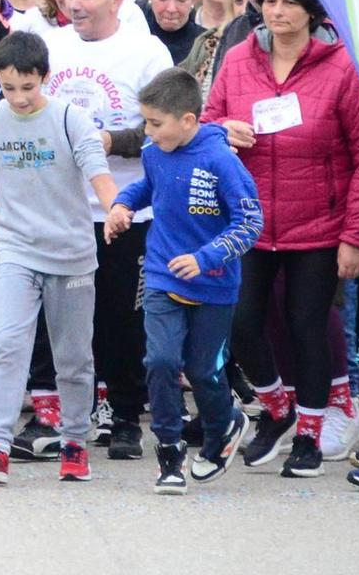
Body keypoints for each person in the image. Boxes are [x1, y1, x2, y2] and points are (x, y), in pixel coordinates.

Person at [203, 0, 359, 477]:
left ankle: (309, 432)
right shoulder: (240, 61)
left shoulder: (340, 68)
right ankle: (277, 408)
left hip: (318, 225)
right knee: (239, 323)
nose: (276, 11)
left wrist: (355, 237)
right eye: (268, 0)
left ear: (311, 10)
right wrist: (221, 129)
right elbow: (204, 127)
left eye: (287, 2)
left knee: (307, 327)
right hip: (249, 222)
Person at [0, 32, 120, 484]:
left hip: (71, 252)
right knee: (6, 342)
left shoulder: (71, 119)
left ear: (44, 78)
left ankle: (74, 442)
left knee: (73, 356)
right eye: (9, 88)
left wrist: (114, 208)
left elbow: (96, 171)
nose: (20, 98)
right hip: (16, 248)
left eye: (28, 87)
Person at [41, 0, 173, 459]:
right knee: (71, 320)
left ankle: (124, 417)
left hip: (126, 211)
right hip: (63, 209)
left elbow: (165, 128)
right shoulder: (50, 46)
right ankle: (73, 413)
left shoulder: (146, 53)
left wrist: (105, 141)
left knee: (122, 319)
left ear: (117, 0)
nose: (74, 5)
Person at [105, 67, 261, 494]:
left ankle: (222, 430)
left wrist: (205, 257)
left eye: (155, 124)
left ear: (188, 121)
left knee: (204, 371)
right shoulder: (156, 152)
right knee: (160, 361)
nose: (148, 133)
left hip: (213, 286)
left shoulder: (222, 161)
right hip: (160, 275)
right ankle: (169, 453)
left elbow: (250, 223)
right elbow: (146, 187)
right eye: (146, 123)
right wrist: (122, 205)